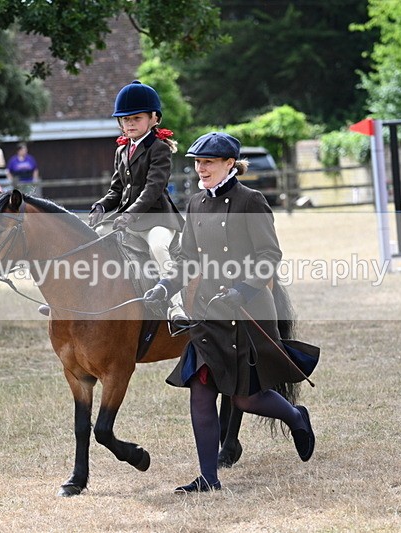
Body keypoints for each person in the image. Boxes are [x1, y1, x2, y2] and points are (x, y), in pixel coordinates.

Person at [143, 132, 319, 493]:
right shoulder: (194, 204)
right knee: (201, 391)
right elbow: (185, 259)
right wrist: (164, 285)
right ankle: (209, 478)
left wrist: (241, 289)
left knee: (244, 397)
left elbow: (269, 255)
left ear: (229, 164)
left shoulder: (250, 201)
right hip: (208, 312)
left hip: (247, 311)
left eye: (208, 162)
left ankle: (295, 416)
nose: (200, 168)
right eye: (197, 162)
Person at [89, 80, 186, 332]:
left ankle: (177, 307)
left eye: (136, 118)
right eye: (125, 119)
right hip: (127, 222)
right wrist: (101, 206)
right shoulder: (122, 151)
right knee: (91, 241)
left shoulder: (159, 149)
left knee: (158, 247)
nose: (129, 124)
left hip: (158, 221)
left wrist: (129, 215)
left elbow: (152, 190)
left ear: (154, 118)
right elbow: (116, 190)